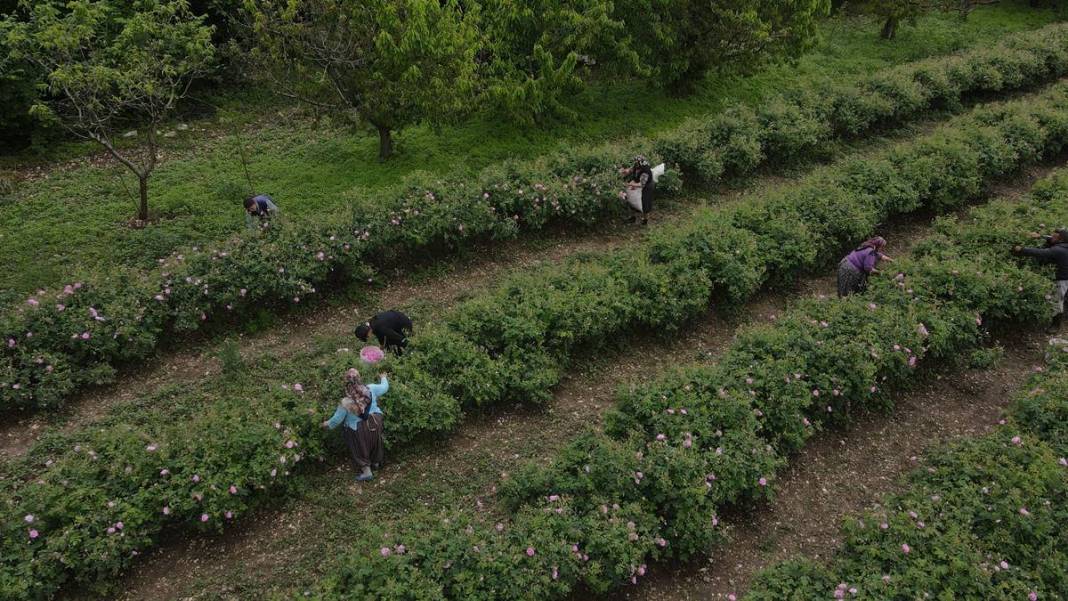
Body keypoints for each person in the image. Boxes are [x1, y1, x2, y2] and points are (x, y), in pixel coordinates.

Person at [322, 368, 389, 481]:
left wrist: (325, 424)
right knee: (375, 441)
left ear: (346, 383)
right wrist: (383, 377)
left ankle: (367, 472)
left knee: (360, 447)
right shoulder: (370, 388)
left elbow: (336, 420)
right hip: (375, 421)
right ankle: (376, 463)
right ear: (359, 379)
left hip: (358, 429)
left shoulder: (345, 402)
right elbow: (384, 388)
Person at [1013, 227, 1068, 334]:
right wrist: (1041, 237)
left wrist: (1022, 250)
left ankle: (1055, 326)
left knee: (1056, 301)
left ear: (1060, 239)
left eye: (1054, 236)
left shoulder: (1058, 250)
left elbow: (1040, 253)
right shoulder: (1064, 245)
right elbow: (1050, 239)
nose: (1051, 237)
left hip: (1063, 279)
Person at [620, 155, 655, 225]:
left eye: (636, 162)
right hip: (637, 183)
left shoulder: (646, 170)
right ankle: (632, 217)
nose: (635, 163)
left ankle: (645, 220)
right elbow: (630, 170)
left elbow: (642, 184)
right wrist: (624, 171)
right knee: (631, 199)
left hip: (647, 187)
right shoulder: (637, 165)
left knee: (645, 202)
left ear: (640, 163)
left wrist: (630, 184)